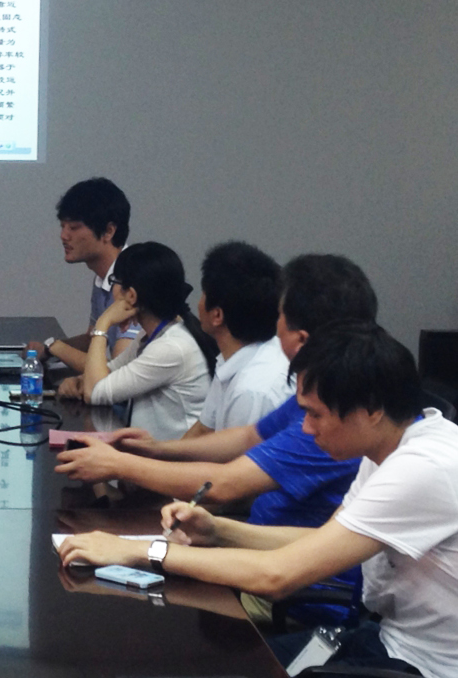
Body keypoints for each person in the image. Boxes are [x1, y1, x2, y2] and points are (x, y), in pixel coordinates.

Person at [58, 322, 458, 677]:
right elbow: (319, 540)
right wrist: (217, 530)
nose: (306, 428)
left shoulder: (421, 468)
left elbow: (276, 576)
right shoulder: (388, 447)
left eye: (316, 415)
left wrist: (140, 551)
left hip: (423, 666)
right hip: (386, 641)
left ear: (370, 410)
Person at [55, 253, 376, 624]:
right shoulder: (320, 393)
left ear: (301, 339)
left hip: (288, 593)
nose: (274, 330)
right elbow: (249, 436)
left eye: (280, 317)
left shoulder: (334, 420)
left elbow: (227, 487)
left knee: (126, 612)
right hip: (255, 550)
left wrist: (121, 471)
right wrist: (156, 450)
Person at [55, 241, 217, 440]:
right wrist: (79, 380)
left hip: (172, 456)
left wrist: (103, 324)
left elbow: (94, 393)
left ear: (131, 295)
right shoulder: (152, 335)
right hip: (151, 451)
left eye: (114, 281)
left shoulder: (171, 347)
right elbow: (110, 373)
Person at [31, 178, 142, 372]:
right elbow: (94, 338)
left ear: (108, 231)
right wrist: (47, 349)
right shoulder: (103, 278)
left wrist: (55, 347)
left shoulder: (133, 280)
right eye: (62, 226)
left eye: (73, 228)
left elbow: (119, 372)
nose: (64, 236)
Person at [185, 241, 289, 436]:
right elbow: (203, 429)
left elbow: (233, 455)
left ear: (217, 315)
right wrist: (156, 451)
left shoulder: (253, 391)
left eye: (203, 294)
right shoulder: (233, 359)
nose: (199, 303)